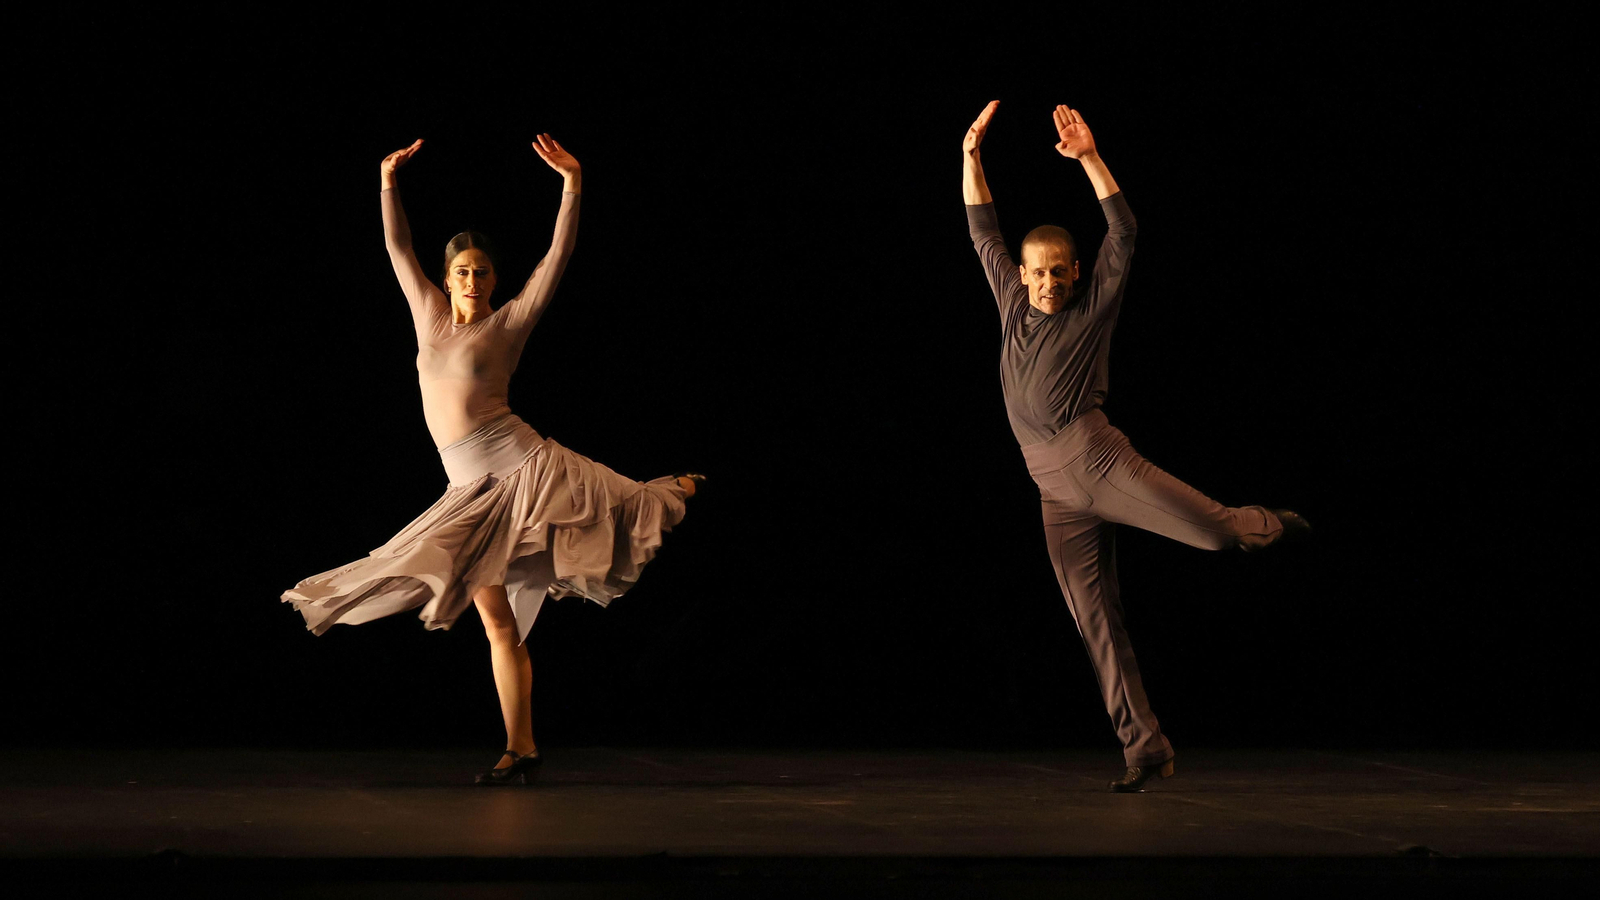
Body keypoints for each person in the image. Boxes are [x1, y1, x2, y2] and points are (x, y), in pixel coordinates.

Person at [281, 135, 702, 786]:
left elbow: (558, 259)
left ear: (493, 281)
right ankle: (522, 748)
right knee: (496, 623)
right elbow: (397, 247)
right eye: (461, 272)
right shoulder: (427, 316)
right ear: (445, 280)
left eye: (481, 272)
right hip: (469, 493)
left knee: (622, 506)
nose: (472, 281)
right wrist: (387, 179)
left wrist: (573, 184)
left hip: (521, 466)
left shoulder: (506, 324)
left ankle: (676, 487)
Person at [961, 101, 1309, 792]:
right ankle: (1145, 748)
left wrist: (1090, 158)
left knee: (1214, 536)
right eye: (1039, 274)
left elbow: (1124, 229)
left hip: (1097, 460)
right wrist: (970, 157)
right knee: (1097, 624)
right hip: (1053, 490)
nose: (1050, 283)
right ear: (1023, 276)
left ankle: (1271, 526)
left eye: (1061, 271)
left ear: (1076, 271)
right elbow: (982, 230)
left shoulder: (1093, 306)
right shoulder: (1010, 298)